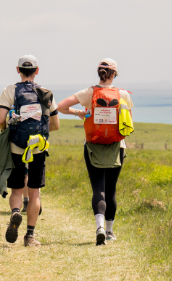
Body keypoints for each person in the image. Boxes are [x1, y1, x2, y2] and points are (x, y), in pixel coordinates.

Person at [57, 58, 133, 246]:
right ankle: (109, 232)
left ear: (99, 73)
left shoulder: (89, 93)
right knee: (111, 190)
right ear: (114, 74)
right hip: (117, 147)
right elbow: (128, 123)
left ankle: (98, 227)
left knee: (98, 188)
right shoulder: (123, 94)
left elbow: (60, 107)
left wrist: (79, 113)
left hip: (92, 146)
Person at [0, 55, 60, 247]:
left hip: (17, 146)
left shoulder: (9, 91)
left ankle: (16, 212)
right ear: (37, 70)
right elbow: (55, 124)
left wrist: (7, 130)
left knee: (17, 189)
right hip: (38, 147)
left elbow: (0, 120)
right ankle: (30, 236)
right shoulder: (46, 92)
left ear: (18, 70)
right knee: (34, 193)